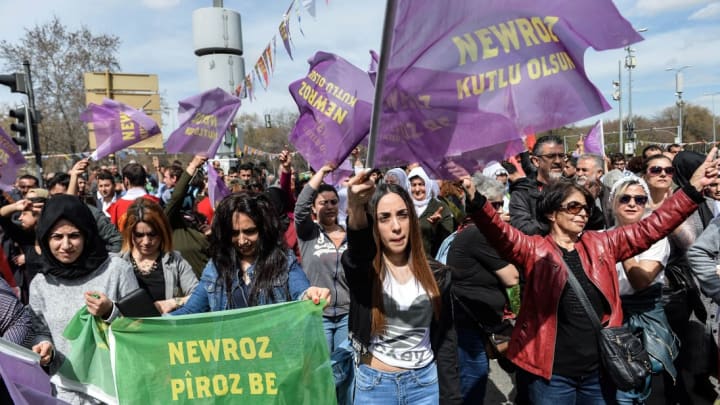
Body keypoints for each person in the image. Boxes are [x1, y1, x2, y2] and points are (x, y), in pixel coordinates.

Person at [459, 147, 718, 404]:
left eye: (584, 207)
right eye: (573, 207)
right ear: (552, 213)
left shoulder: (603, 242)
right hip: (551, 375)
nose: (582, 213)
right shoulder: (533, 250)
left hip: (599, 372)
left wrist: (692, 190)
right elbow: (500, 233)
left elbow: (654, 226)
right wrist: (476, 201)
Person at [342, 175, 462, 404]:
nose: (396, 227)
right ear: (373, 224)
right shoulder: (366, 273)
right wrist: (356, 208)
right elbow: (357, 255)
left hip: (425, 386)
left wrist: (452, 398)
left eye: (402, 215)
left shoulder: (438, 275)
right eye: (384, 218)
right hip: (375, 387)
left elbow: (447, 342)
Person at [28, 195, 138, 403]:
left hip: (115, 392)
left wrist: (110, 312)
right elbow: (40, 330)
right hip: (65, 393)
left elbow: (142, 328)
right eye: (57, 237)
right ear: (45, 238)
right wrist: (44, 347)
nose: (66, 245)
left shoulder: (116, 271)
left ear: (87, 235)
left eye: (74, 235)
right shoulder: (40, 284)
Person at [171, 192, 330, 315]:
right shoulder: (216, 268)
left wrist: (310, 295)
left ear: (264, 230)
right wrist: (153, 326)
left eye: (250, 232)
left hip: (276, 354)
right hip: (229, 355)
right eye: (234, 233)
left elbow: (301, 292)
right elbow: (190, 312)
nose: (242, 240)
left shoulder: (283, 261)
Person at [447, 175, 519, 403]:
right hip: (469, 323)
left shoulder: (476, 230)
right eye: (492, 204)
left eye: (499, 204)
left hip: (479, 320)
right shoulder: (477, 233)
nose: (497, 210)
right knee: (474, 379)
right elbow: (512, 277)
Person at [608, 175, 678, 403]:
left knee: (648, 383)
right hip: (612, 321)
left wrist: (623, 244)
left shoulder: (656, 239)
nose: (632, 204)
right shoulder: (599, 237)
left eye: (639, 199)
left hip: (646, 320)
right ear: (612, 203)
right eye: (625, 198)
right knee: (618, 388)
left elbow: (640, 281)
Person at [294, 164, 353, 404]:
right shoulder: (309, 233)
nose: (329, 207)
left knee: (346, 372)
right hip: (318, 314)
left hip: (348, 315)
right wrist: (322, 172)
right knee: (321, 372)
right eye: (323, 203)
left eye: (333, 202)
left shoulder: (351, 233)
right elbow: (299, 209)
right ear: (314, 209)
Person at [119, 198, 198, 314]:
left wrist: (172, 303)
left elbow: (199, 295)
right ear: (130, 234)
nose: (146, 241)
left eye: (152, 234)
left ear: (162, 232)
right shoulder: (119, 263)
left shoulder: (175, 261)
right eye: (139, 235)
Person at [510, 135, 565, 235]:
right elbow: (523, 229)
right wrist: (561, 222)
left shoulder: (572, 188)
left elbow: (595, 222)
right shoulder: (522, 192)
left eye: (561, 156)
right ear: (536, 161)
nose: (558, 161)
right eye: (551, 156)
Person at [407, 167, 454, 258]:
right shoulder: (404, 206)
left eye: (421, 184)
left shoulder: (440, 207)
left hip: (431, 263)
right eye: (414, 185)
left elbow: (448, 240)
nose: (417, 189)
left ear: (428, 185)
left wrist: (437, 226)